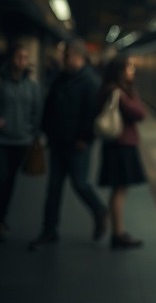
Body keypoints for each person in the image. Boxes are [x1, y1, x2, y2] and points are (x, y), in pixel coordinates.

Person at [29, 38, 107, 250]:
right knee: (53, 188)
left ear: (74, 56)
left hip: (77, 144)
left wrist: (85, 139)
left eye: (63, 55)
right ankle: (49, 230)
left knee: (80, 183)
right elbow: (50, 106)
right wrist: (45, 131)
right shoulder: (62, 78)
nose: (60, 58)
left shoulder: (90, 81)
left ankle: (99, 209)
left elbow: (93, 115)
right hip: (58, 142)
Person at [96, 54, 147, 249]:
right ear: (120, 72)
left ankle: (118, 231)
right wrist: (131, 92)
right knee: (119, 189)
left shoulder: (109, 89)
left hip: (116, 145)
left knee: (119, 189)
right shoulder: (117, 92)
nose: (132, 71)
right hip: (121, 146)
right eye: (129, 68)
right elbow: (139, 113)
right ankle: (118, 234)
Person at [0, 43, 43, 242]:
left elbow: (37, 110)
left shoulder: (32, 85)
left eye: (25, 57)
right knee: (2, 178)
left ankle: (2, 218)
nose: (22, 61)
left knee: (9, 181)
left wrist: (33, 133)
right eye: (19, 57)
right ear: (11, 59)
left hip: (22, 141)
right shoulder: (2, 81)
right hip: (2, 139)